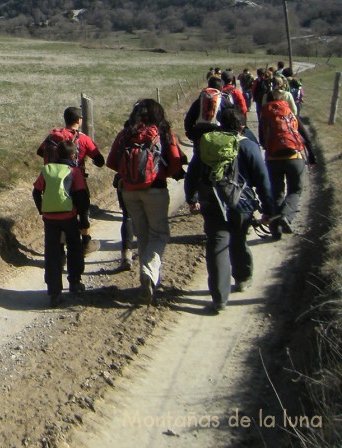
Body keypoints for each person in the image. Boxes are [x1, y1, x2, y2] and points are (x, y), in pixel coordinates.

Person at [185, 107, 273, 313]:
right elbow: (263, 180)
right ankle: (242, 279)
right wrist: (268, 209)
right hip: (241, 203)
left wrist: (192, 198)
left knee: (217, 244)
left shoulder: (208, 143)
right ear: (242, 126)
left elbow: (192, 174)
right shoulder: (249, 147)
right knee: (239, 239)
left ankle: (219, 298)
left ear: (220, 123)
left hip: (213, 202)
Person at [107, 98, 186, 304]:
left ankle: (148, 278)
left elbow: (111, 161)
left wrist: (129, 173)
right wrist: (162, 173)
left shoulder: (126, 133)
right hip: (156, 189)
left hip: (129, 191)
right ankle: (149, 273)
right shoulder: (162, 132)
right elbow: (176, 162)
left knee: (142, 235)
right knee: (159, 234)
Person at [36, 107, 106, 255]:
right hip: (75, 180)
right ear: (79, 120)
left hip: (53, 180)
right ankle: (85, 242)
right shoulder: (83, 138)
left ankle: (60, 252)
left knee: (59, 213)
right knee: (83, 210)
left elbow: (40, 151)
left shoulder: (53, 136)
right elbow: (100, 161)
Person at [32, 139, 91, 307]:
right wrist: (82, 216)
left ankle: (54, 291)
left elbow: (36, 192)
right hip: (69, 216)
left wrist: (42, 210)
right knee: (74, 247)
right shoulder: (74, 171)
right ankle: (74, 282)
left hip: (50, 219)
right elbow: (81, 196)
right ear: (73, 155)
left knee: (52, 253)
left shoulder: (47, 170)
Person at [260, 88, 317, 237]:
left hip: (273, 159)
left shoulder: (265, 116)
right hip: (294, 158)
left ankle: (275, 231)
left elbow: (261, 140)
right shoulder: (290, 113)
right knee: (295, 190)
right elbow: (306, 137)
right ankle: (286, 216)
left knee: (276, 193)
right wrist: (312, 157)